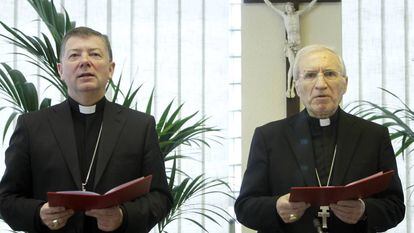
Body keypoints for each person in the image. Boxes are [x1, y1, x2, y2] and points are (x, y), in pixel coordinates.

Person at [0, 27, 172, 233]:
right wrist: (39, 213)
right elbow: (6, 198)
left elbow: (160, 196)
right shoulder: (31, 126)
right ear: (60, 70)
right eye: (74, 55)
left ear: (110, 69)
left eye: (95, 54)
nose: (85, 61)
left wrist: (123, 216)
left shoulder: (139, 126)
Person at [234, 44, 405, 232]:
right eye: (310, 75)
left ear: (345, 83)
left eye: (330, 73)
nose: (321, 84)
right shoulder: (268, 137)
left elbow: (395, 207)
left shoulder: (374, 136)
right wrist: (276, 207)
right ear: (296, 86)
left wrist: (365, 210)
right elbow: (244, 208)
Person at [264, 0, 318, 98]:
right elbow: (272, 7)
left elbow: (308, 7)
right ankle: (289, 88)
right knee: (292, 64)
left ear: (292, 8)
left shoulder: (297, 14)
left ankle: (294, 86)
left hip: (298, 45)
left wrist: (314, 1)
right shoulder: (284, 16)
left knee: (297, 66)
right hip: (290, 44)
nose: (288, 9)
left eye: (290, 7)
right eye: (287, 7)